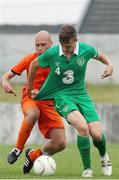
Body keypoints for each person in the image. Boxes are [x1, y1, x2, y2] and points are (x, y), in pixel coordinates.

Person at [27, 25, 113, 177]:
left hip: (82, 95)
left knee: (97, 134)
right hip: (62, 97)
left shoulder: (85, 50)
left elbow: (100, 55)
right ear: (59, 43)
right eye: (63, 47)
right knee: (83, 128)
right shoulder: (53, 53)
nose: (66, 50)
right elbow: (34, 64)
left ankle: (104, 157)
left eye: (69, 46)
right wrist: (30, 89)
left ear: (76, 40)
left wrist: (109, 65)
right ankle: (87, 169)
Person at [1, 30, 66, 174]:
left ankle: (32, 155)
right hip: (30, 99)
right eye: (37, 45)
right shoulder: (29, 59)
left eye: (43, 45)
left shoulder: (59, 63)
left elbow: (64, 87)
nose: (39, 49)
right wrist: (5, 82)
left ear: (51, 44)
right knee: (33, 113)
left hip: (49, 104)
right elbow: (7, 75)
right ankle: (17, 149)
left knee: (60, 143)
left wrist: (45, 93)